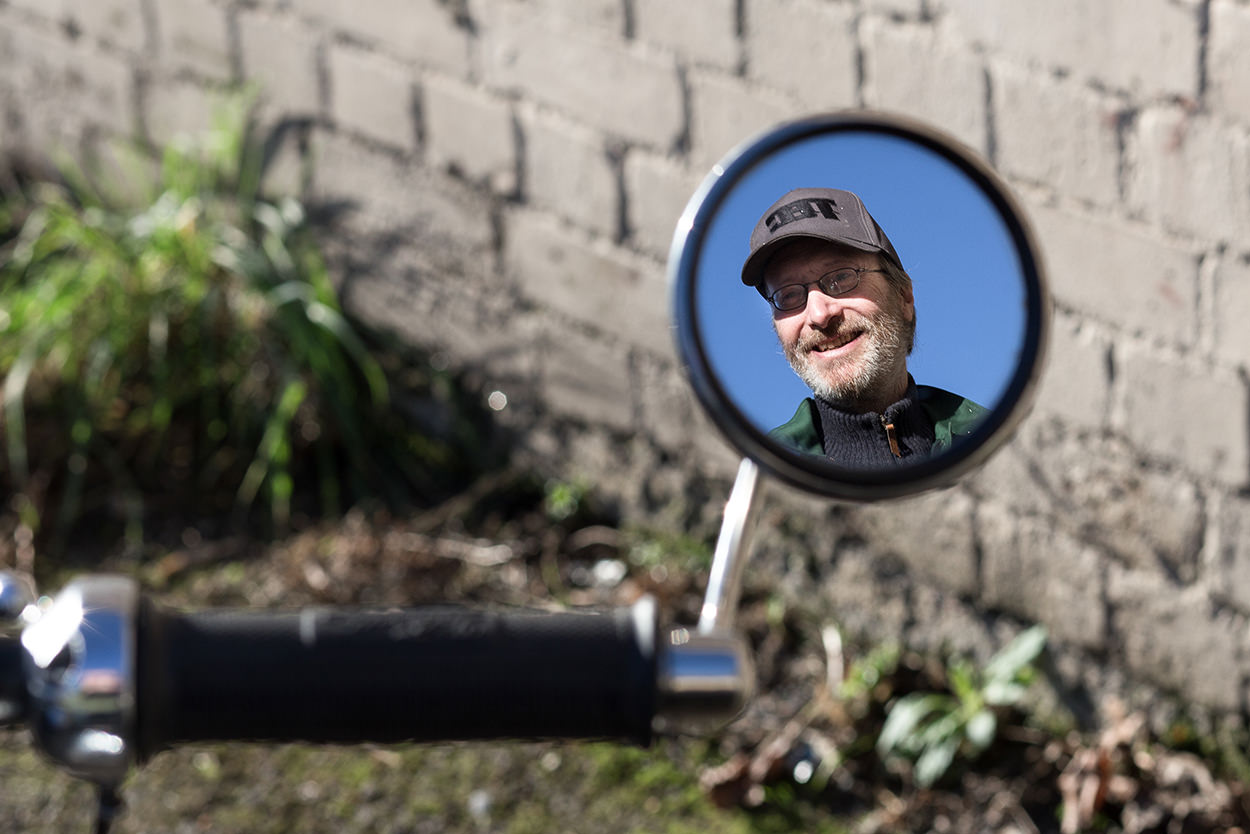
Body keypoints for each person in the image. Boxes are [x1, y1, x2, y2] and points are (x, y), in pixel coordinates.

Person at [740, 186, 986, 467]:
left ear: (903, 296)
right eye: (789, 296)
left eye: (842, 278)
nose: (819, 315)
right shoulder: (764, 478)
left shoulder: (996, 443)